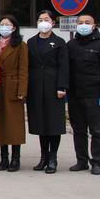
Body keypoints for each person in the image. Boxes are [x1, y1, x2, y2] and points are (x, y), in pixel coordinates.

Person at [67, 13, 100, 175]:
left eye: (87, 22)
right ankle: (81, 161)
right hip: (75, 95)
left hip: (95, 96)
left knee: (96, 131)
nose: (83, 25)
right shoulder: (71, 45)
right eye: (80, 22)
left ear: (94, 26)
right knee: (78, 130)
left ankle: (96, 162)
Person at [26, 10, 69, 174]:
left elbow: (64, 66)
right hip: (36, 87)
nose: (43, 22)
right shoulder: (31, 42)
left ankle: (53, 158)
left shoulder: (59, 42)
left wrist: (62, 86)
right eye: (40, 19)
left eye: (46, 19)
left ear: (53, 23)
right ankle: (43, 157)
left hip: (53, 87)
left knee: (53, 123)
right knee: (40, 123)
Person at [0, 15, 28, 172]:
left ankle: (15, 159)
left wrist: (22, 90)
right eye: (1, 24)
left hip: (12, 86)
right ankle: (4, 158)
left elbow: (23, 69)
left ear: (14, 28)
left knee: (14, 124)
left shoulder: (20, 45)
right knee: (0, 123)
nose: (4, 27)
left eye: (7, 24)